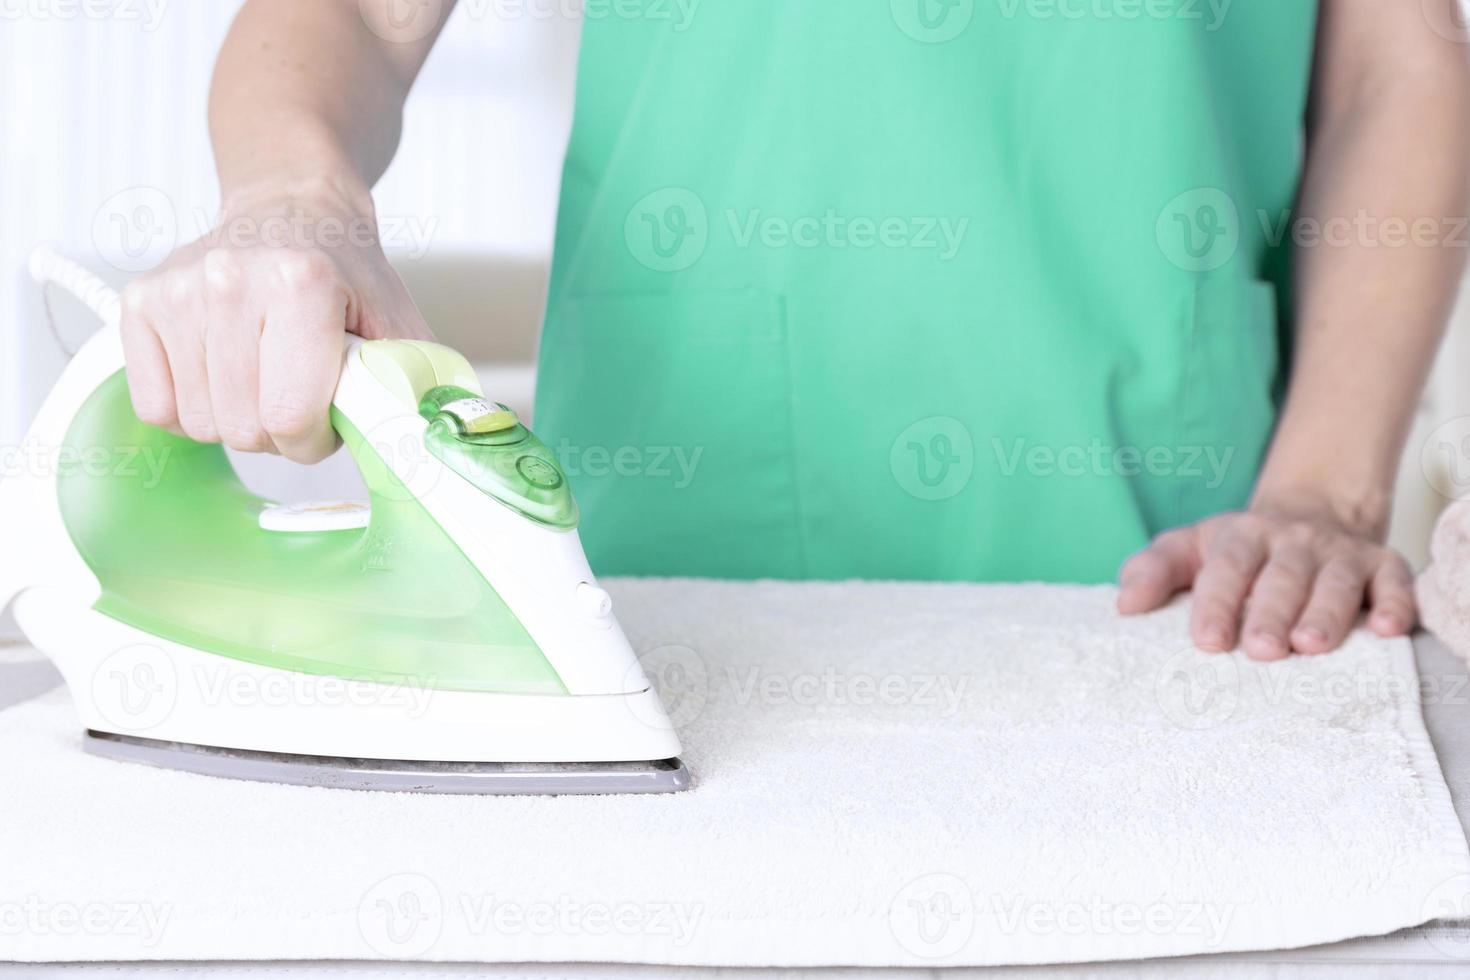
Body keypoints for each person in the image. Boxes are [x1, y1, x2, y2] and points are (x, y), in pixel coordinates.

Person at [118, 0, 1470, 661]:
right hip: (675, 554)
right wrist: (296, 201)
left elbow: (1394, 64)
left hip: (1179, 567)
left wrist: (1323, 491)